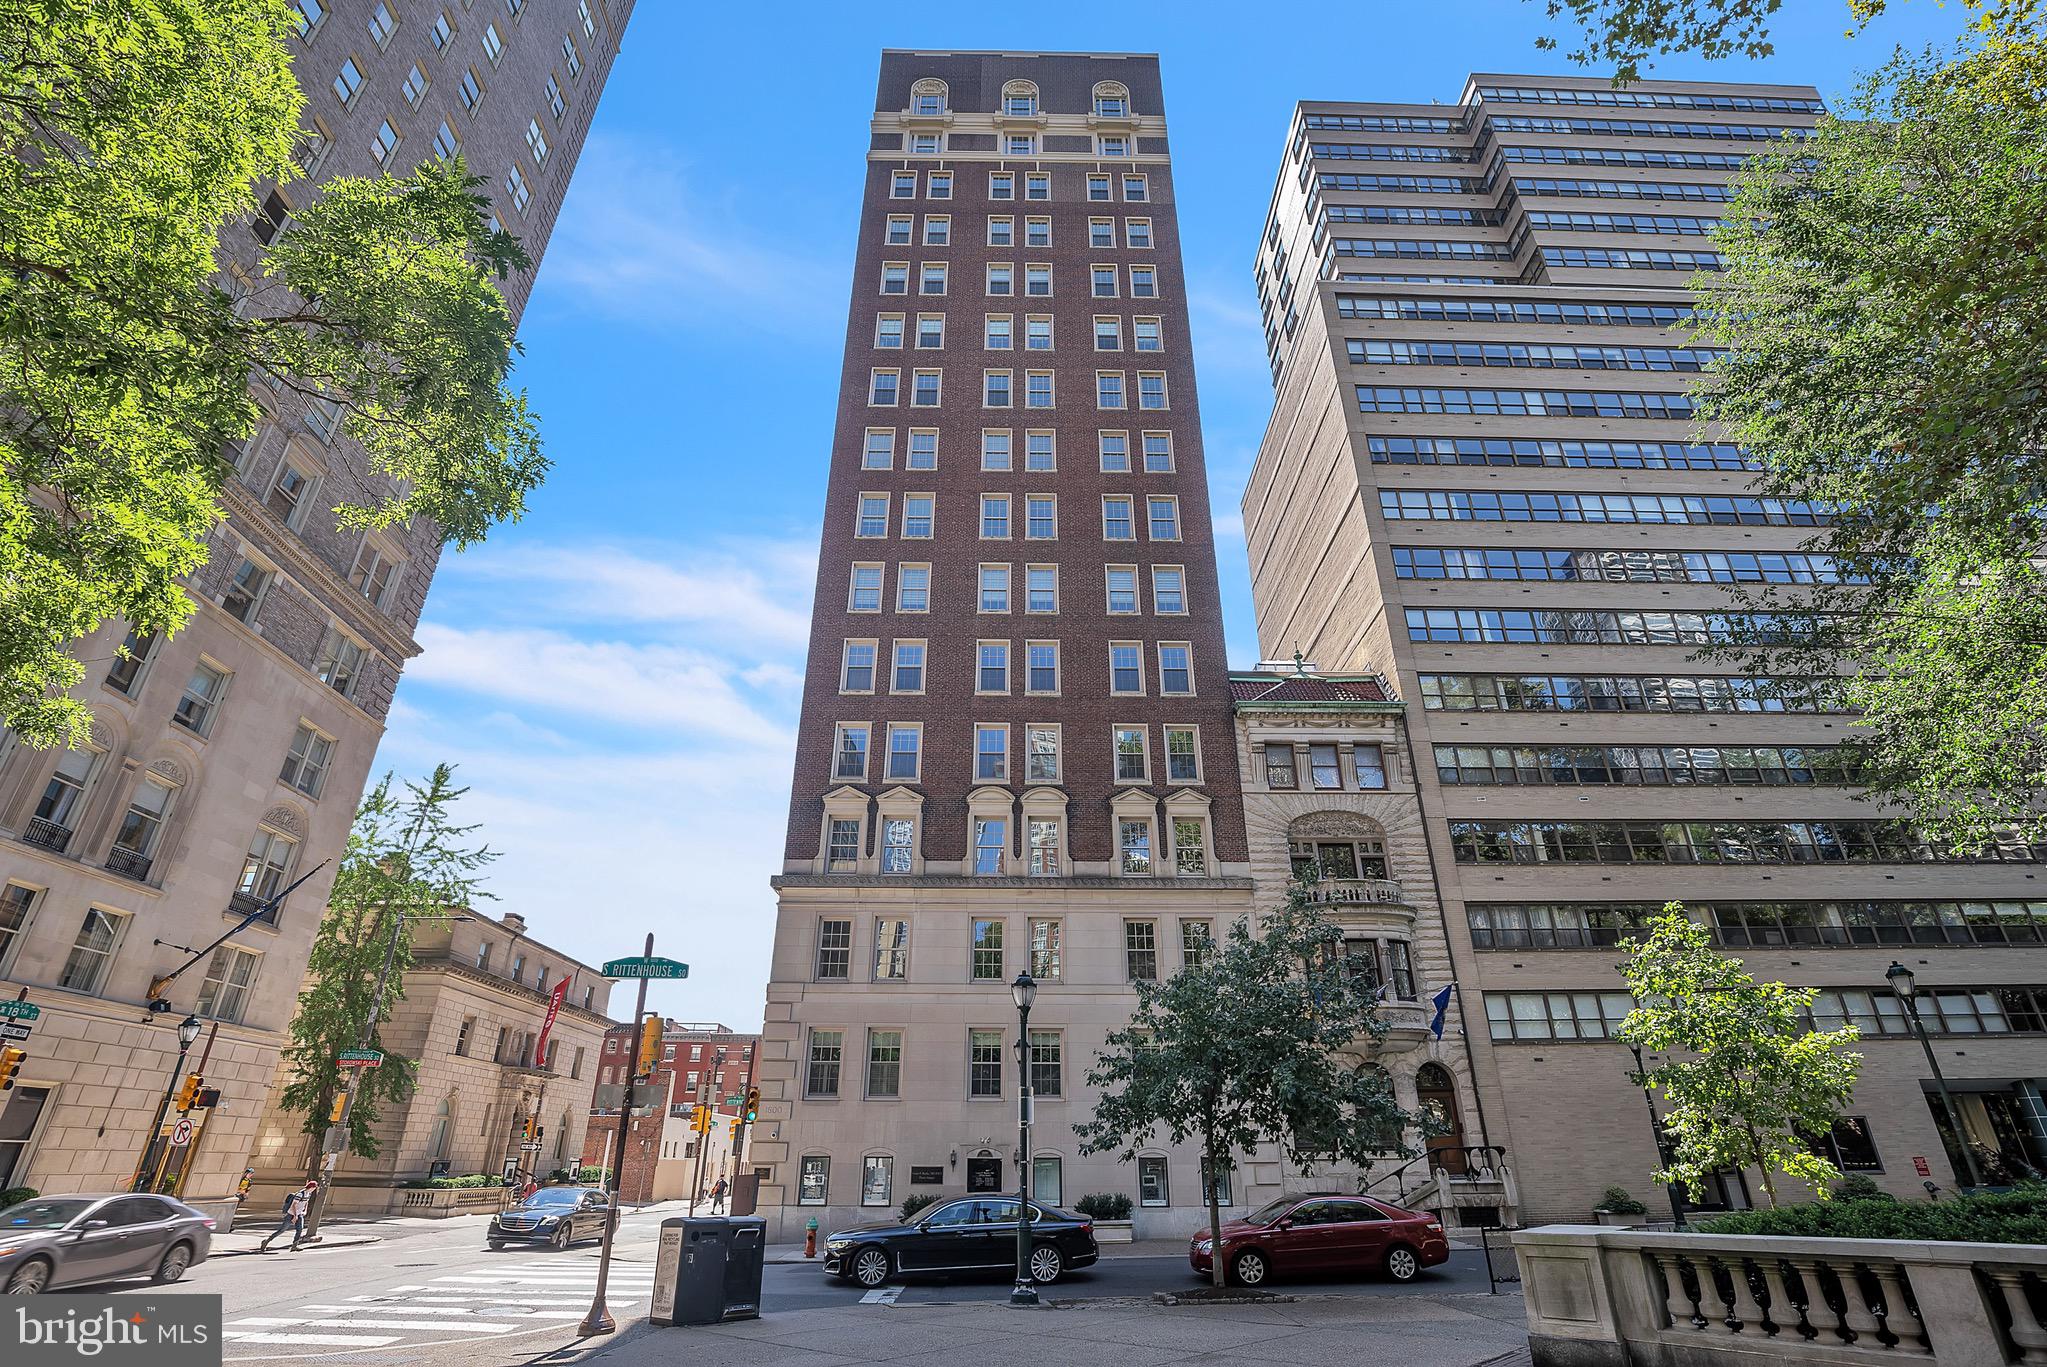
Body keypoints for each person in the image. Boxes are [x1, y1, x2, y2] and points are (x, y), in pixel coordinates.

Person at [260, 1181, 318, 1252]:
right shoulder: (300, 1194)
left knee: (299, 1229)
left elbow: (306, 1202)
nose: (314, 1189)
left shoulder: (309, 1194)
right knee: (282, 1230)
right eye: (314, 1187)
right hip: (291, 1214)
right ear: (311, 1187)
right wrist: (295, 1216)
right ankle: (266, 1241)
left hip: (299, 1214)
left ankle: (294, 1246)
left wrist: (304, 1211)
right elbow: (293, 1205)